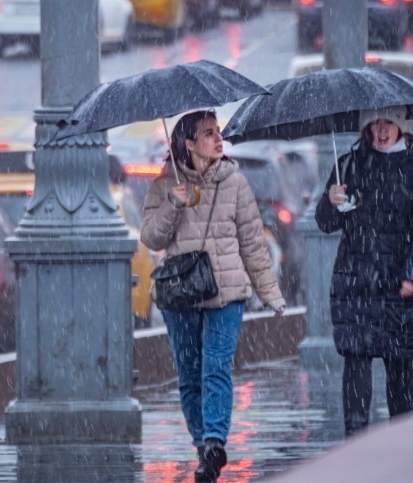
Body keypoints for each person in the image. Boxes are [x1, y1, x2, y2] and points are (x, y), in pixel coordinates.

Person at [140, 109, 287, 482]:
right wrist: (174, 203)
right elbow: (151, 238)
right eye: (208, 133)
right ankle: (203, 449)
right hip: (182, 294)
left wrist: (271, 295)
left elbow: (253, 244)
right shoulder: (163, 185)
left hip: (227, 292)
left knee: (216, 368)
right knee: (189, 375)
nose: (218, 139)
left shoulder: (234, 182)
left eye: (218, 132)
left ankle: (216, 442)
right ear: (188, 144)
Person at [315, 106, 413, 437]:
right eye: (376, 124)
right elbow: (326, 223)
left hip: (398, 287)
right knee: (356, 365)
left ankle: (400, 446)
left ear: (401, 127)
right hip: (355, 285)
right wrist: (330, 201)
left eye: (389, 123)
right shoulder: (348, 166)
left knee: (399, 366)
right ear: (366, 129)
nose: (383, 131)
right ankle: (356, 449)